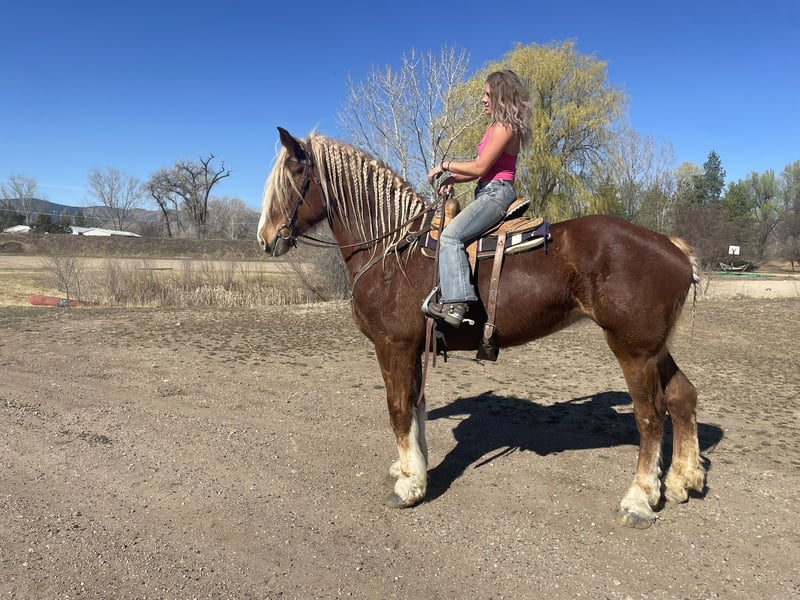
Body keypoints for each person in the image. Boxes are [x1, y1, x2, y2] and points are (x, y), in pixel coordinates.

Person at [425, 69, 531, 327]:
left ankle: (457, 303)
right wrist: (452, 179)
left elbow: (480, 167)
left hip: (497, 193)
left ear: (500, 96)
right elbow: (480, 171)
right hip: (487, 189)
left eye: (487, 94)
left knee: (451, 237)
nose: (483, 100)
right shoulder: (493, 127)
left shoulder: (505, 127)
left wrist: (445, 165)